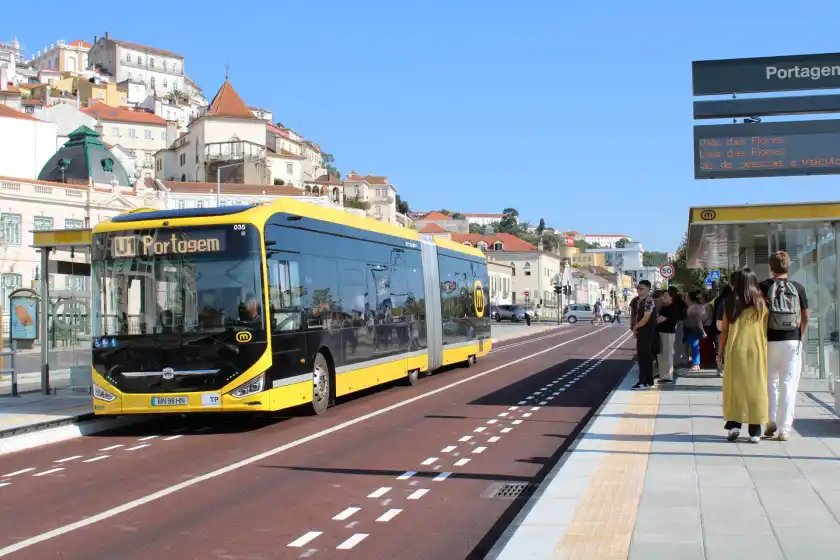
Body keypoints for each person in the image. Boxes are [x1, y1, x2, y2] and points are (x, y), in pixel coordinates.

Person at [759, 251, 809, 441]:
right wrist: (799, 336)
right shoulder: (798, 288)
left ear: (771, 267)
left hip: (769, 340)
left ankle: (770, 420)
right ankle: (784, 429)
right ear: (788, 267)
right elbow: (805, 317)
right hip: (792, 340)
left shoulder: (764, 286)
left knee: (769, 382)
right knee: (788, 383)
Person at [718, 268, 768, 443]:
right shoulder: (762, 303)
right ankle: (755, 431)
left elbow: (724, 331)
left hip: (735, 350)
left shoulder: (730, 303)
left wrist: (720, 353)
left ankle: (734, 426)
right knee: (756, 388)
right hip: (756, 349)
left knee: (735, 388)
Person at [631, 280, 657, 390]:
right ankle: (649, 381)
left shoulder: (649, 301)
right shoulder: (639, 301)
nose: (638, 290)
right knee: (645, 356)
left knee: (643, 357)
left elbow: (646, 318)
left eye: (641, 288)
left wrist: (636, 327)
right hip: (642, 332)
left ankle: (643, 382)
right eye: (638, 288)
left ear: (648, 289)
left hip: (647, 332)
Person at [714, 273, 737, 376]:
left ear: (731, 284)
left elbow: (720, 326)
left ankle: (722, 369)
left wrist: (720, 354)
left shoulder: (726, 302)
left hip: (731, 341)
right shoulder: (757, 300)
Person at [655, 289, 680, 383]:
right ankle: (662, 373)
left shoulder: (672, 307)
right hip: (661, 332)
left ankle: (668, 376)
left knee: (667, 354)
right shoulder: (663, 307)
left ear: (671, 297)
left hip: (667, 333)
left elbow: (659, 320)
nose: (663, 297)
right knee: (661, 354)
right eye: (663, 296)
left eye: (666, 296)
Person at [684, 291, 706, 372]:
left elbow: (698, 320)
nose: (685, 298)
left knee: (694, 347)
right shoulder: (694, 306)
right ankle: (695, 364)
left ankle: (696, 364)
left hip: (694, 329)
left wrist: (702, 331)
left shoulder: (694, 307)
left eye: (687, 296)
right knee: (694, 347)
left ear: (690, 298)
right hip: (691, 329)